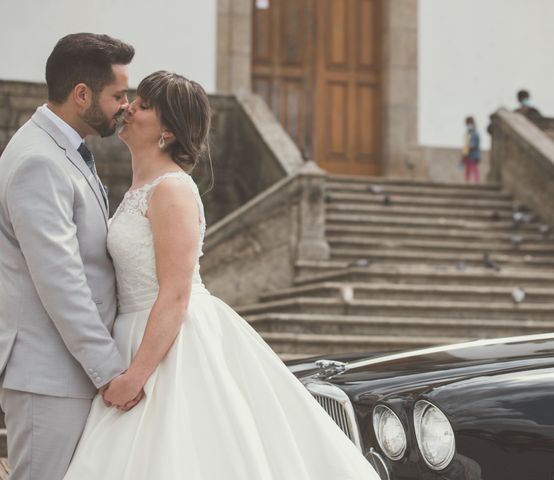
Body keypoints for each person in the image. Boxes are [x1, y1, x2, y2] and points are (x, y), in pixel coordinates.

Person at [62, 70, 381, 479]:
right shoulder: (140, 187)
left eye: (143, 106)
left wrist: (137, 375)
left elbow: (176, 293)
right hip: (132, 335)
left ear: (168, 132)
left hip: (170, 342)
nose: (128, 109)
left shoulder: (171, 190)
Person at [0, 33, 135, 480]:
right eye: (118, 94)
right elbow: (61, 280)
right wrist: (109, 370)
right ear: (82, 94)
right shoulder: (38, 160)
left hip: (67, 370)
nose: (126, 105)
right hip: (49, 376)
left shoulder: (62, 148)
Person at [461, 116, 481, 183]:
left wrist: (469, 147)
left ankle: (477, 181)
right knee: (468, 169)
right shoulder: (468, 133)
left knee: (474, 168)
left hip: (473, 154)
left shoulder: (475, 133)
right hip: (467, 154)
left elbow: (474, 144)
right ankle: (467, 181)